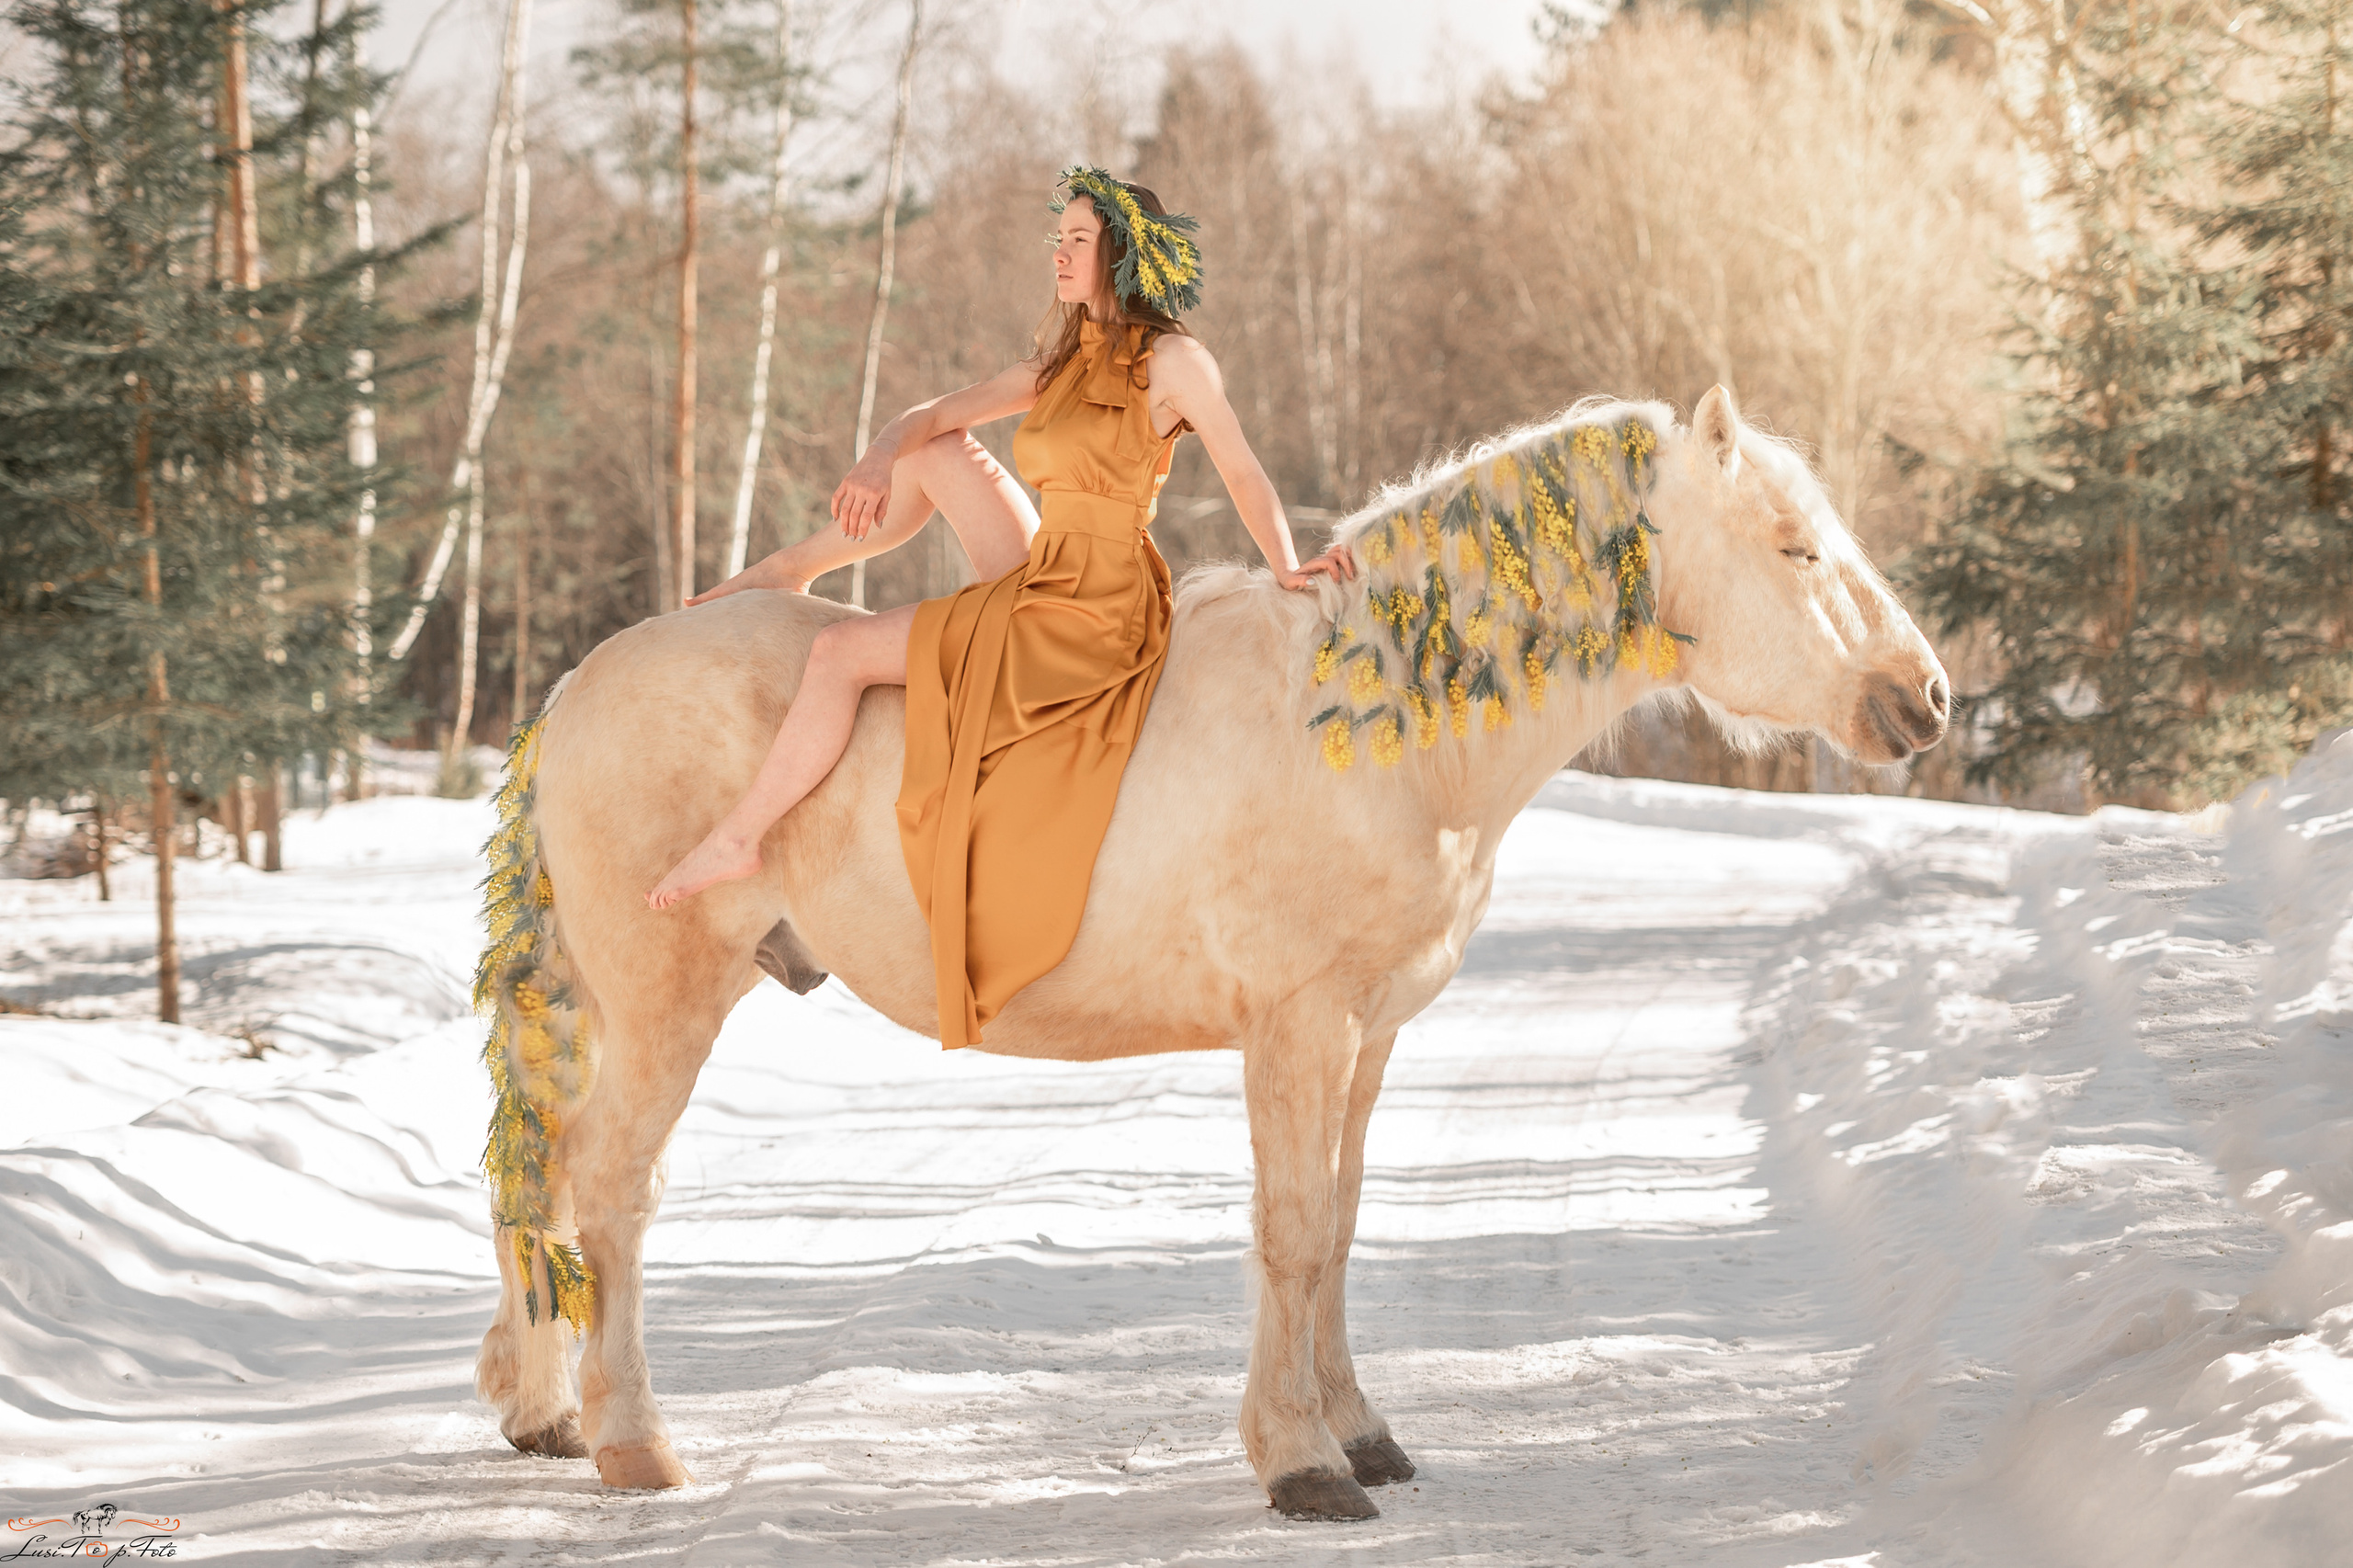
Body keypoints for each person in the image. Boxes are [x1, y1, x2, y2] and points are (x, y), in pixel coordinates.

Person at [646, 167, 1356, 1046]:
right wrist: (875, 459)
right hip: (1044, 566)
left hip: (1096, 604)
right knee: (933, 450)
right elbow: (929, 415)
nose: (1059, 255)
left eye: (1078, 242)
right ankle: (787, 571)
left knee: (839, 657)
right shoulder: (1063, 358)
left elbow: (1243, 470)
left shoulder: (1174, 363)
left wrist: (1286, 564)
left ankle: (741, 837)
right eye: (1056, 240)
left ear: (1121, 255)